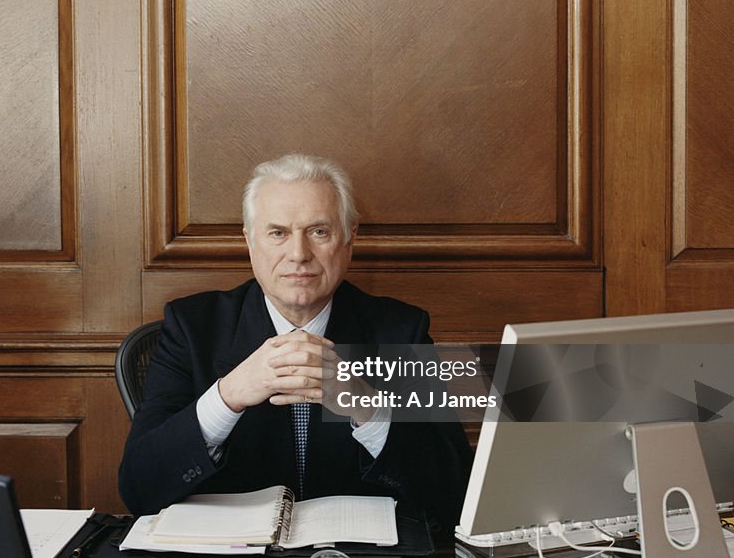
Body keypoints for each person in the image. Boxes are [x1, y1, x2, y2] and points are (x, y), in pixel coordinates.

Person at [118, 154, 472, 529]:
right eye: (278, 233)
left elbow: (454, 494)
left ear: (349, 239)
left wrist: (366, 405)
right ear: (250, 242)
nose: (299, 254)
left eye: (319, 231)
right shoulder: (192, 328)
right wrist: (227, 396)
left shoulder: (401, 332)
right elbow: (140, 490)